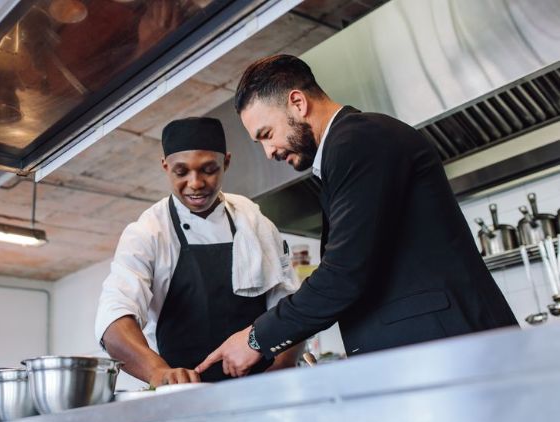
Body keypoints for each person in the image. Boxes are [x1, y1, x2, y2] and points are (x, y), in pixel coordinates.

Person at [195, 54, 518, 377]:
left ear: (297, 102)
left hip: (450, 353)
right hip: (432, 356)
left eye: (266, 134)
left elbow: (344, 274)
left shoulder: (359, 140)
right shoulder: (346, 150)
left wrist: (255, 339)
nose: (269, 152)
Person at [95, 117, 302, 386]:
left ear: (226, 162)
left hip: (262, 387)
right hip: (185, 391)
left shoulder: (253, 220)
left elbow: (287, 304)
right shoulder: (148, 232)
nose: (195, 183)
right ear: (165, 166)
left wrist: (283, 365)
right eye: (181, 172)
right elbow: (114, 318)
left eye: (208, 169)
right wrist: (157, 371)